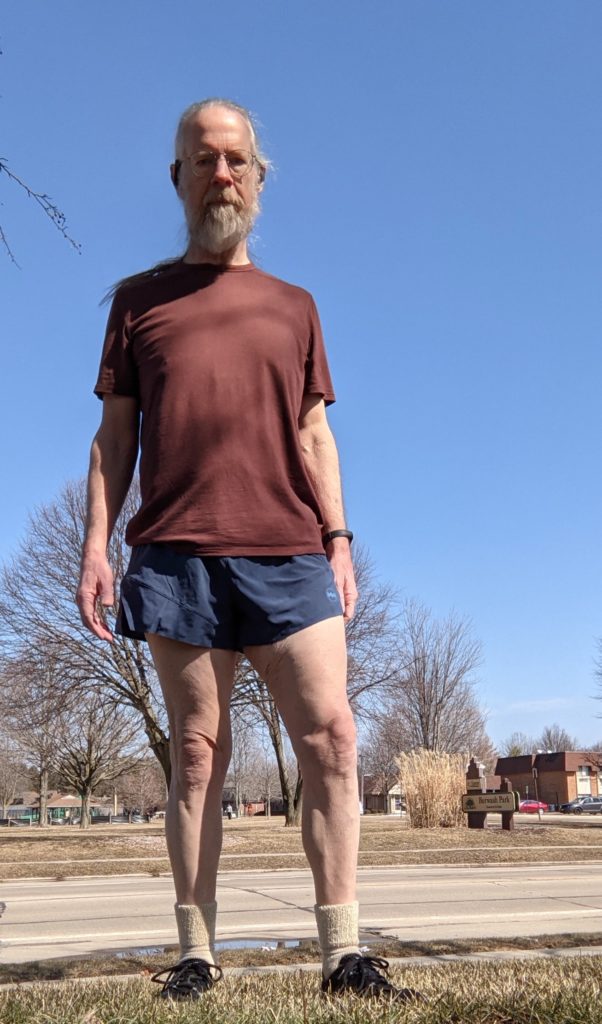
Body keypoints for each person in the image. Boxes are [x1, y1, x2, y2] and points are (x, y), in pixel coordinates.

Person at [76, 98, 421, 1004]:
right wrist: (96, 546)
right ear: (178, 179)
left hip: (291, 552)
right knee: (197, 755)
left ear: (259, 179)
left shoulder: (294, 307)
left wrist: (339, 539)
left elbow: (314, 435)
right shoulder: (138, 304)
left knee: (333, 739)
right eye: (203, 160)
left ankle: (344, 953)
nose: (220, 175)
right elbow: (114, 438)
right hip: (175, 556)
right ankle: (197, 955)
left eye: (236, 160)